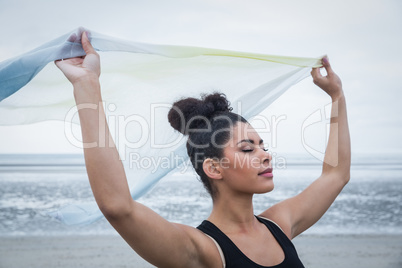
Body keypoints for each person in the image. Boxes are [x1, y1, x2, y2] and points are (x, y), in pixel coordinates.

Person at [55, 31, 350, 268]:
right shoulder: (203, 250)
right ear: (213, 167)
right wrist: (86, 84)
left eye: (263, 146)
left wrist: (337, 96)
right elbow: (118, 207)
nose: (265, 155)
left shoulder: (279, 225)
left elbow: (336, 175)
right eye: (247, 149)